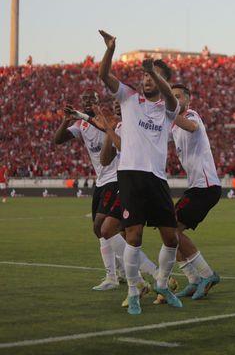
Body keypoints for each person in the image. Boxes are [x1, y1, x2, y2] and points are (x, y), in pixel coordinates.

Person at [98, 30, 182, 315]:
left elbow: (170, 97)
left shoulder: (169, 108)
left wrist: (155, 73)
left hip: (157, 178)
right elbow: (104, 76)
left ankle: (161, 282)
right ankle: (134, 289)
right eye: (145, 75)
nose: (146, 78)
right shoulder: (129, 97)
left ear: (162, 81)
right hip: (131, 174)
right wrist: (110, 49)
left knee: (172, 237)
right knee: (133, 235)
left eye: (153, 75)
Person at [52, 90, 123, 291]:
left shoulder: (107, 118)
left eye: (90, 98)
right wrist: (66, 120)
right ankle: (122, 271)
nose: (86, 102)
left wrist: (86, 115)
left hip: (115, 177)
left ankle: (113, 277)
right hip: (100, 182)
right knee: (102, 230)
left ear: (98, 100)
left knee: (102, 226)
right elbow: (58, 140)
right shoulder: (81, 124)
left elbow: (106, 127)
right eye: (83, 99)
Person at [168, 83, 222, 300]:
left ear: (188, 100)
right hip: (196, 187)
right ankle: (193, 280)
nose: (175, 99)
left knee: (172, 229)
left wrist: (166, 112)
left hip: (205, 186)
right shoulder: (173, 126)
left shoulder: (191, 115)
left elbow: (191, 127)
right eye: (171, 97)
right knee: (169, 231)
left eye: (178, 96)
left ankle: (207, 275)